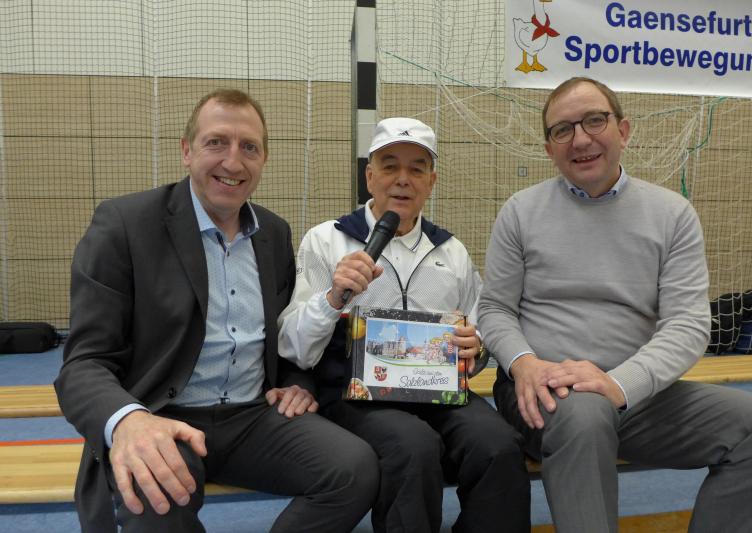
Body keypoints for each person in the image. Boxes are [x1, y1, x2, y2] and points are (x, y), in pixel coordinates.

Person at [478, 76, 752, 533]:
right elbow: (494, 309)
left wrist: (619, 384)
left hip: (637, 396)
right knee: (585, 413)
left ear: (623, 131)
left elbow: (688, 324)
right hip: (543, 394)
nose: (581, 139)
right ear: (550, 149)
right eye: (563, 130)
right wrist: (524, 364)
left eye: (594, 121)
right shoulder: (520, 211)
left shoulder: (672, 215)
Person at [54, 89, 379, 533]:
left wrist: (296, 383)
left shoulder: (273, 234)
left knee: (354, 468)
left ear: (264, 160)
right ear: (186, 151)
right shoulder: (124, 225)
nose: (233, 161)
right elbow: (84, 363)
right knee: (158, 492)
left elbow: (282, 337)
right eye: (216, 143)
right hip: (161, 415)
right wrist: (129, 420)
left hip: (252, 418)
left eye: (249, 147)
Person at [277, 117, 531, 533]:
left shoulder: (451, 251)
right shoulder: (326, 240)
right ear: (370, 176)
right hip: (355, 397)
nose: (402, 179)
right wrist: (333, 298)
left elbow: (481, 329)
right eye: (390, 165)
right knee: (413, 446)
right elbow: (294, 348)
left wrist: (477, 348)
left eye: (417, 168)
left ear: (431, 181)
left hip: (440, 394)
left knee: (498, 444)